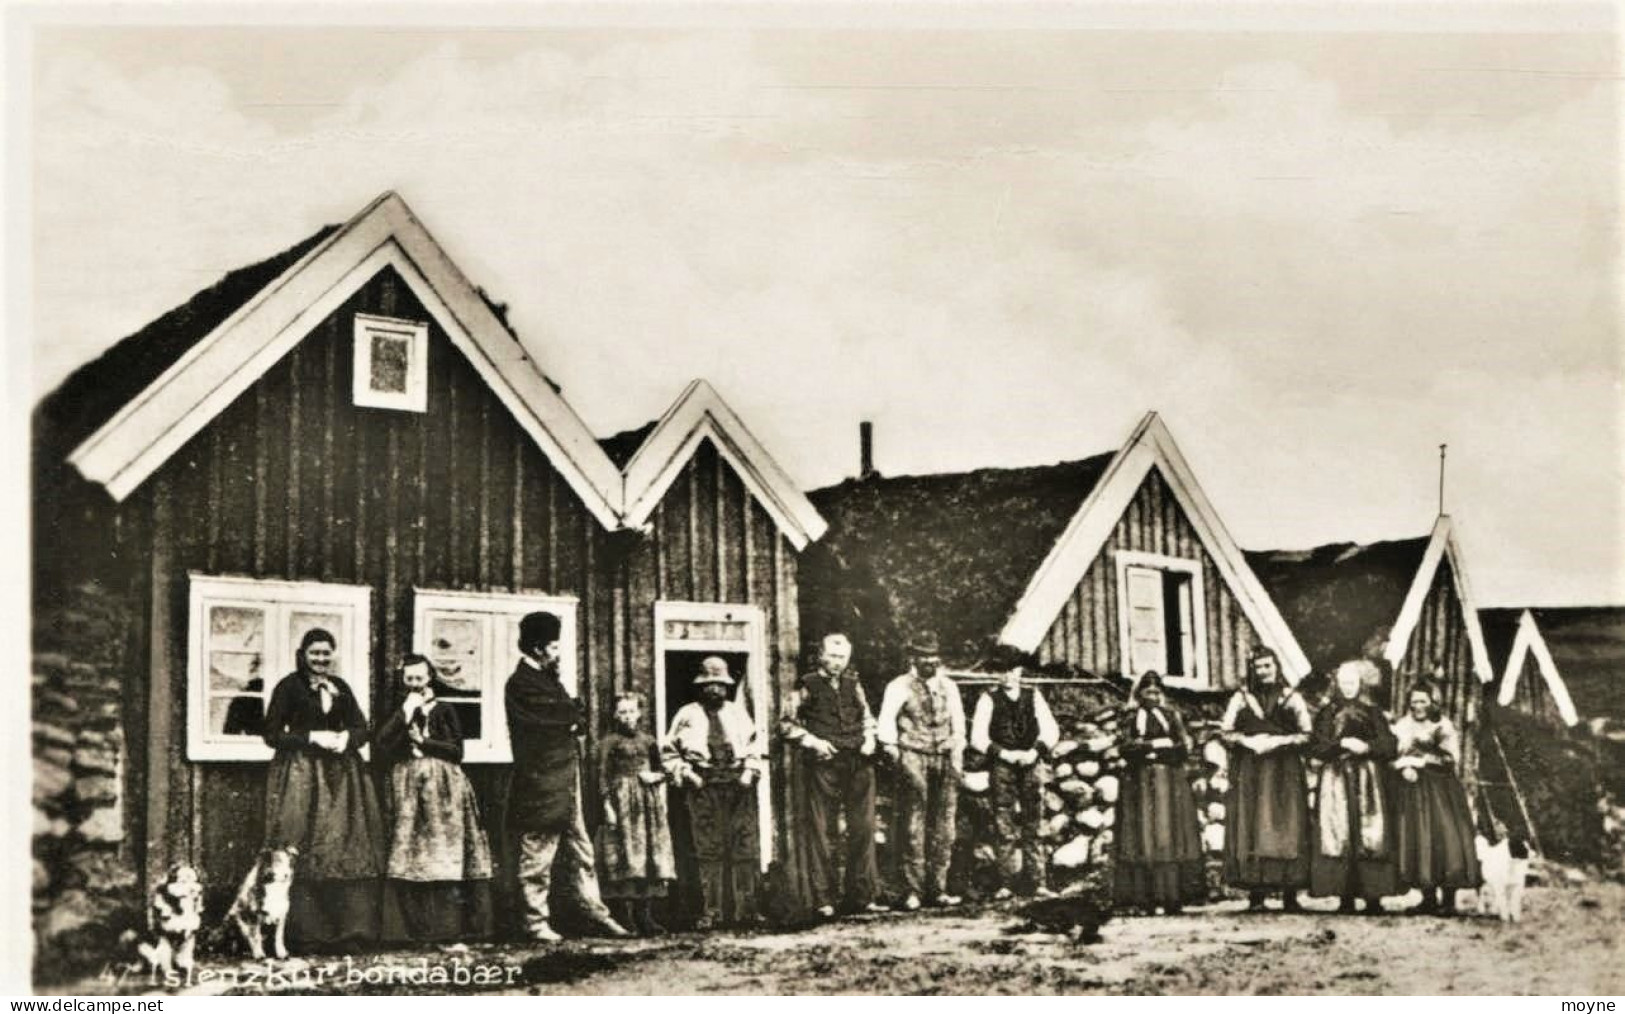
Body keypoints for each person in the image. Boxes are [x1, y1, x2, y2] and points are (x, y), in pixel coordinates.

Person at [504, 611, 628, 942]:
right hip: (540, 782)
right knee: (538, 855)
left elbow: (574, 716)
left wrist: (570, 716)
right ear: (538, 648)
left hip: (567, 780)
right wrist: (569, 717)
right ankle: (535, 922)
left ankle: (595, 913)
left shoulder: (549, 680)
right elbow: (554, 719)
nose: (558, 653)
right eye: (554, 647)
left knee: (582, 852)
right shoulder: (520, 685)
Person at [261, 628, 386, 951]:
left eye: (326, 653)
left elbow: (362, 726)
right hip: (302, 774)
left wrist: (348, 739)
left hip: (343, 775)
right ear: (303, 654)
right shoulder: (289, 687)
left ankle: (349, 934)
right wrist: (310, 737)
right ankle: (307, 936)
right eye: (314, 653)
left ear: (333, 655)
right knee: (305, 842)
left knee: (346, 844)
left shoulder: (341, 687)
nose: (320, 659)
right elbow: (271, 734)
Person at [375, 654, 494, 943]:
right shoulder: (399, 709)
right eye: (409, 679)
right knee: (411, 852)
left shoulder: (445, 709)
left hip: (444, 787)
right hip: (408, 786)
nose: (415, 684)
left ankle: (449, 929)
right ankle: (411, 930)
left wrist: (423, 742)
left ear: (430, 678)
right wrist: (405, 712)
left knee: (444, 851)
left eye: (420, 678)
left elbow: (456, 751)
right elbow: (381, 744)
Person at [781, 633, 886, 919]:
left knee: (863, 827)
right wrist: (812, 741)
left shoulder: (854, 684)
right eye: (833, 656)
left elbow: (867, 718)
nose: (838, 662)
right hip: (825, 762)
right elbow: (786, 725)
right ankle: (824, 898)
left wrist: (869, 738)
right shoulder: (807, 685)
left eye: (843, 656)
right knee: (822, 829)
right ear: (821, 656)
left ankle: (862, 897)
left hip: (858, 761)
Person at [663, 658, 766, 928]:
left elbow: (755, 747)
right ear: (700, 687)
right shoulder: (687, 715)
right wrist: (688, 774)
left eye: (720, 685)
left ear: (727, 687)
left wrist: (748, 772)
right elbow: (669, 753)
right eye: (709, 685)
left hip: (737, 783)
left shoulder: (738, 714)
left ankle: (746, 910)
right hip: (703, 784)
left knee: (744, 845)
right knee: (708, 848)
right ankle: (711, 911)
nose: (714, 691)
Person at [878, 631, 967, 910]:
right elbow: (885, 723)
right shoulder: (899, 686)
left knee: (945, 825)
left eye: (933, 656)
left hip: (945, 756)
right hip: (913, 755)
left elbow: (959, 723)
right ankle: (912, 891)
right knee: (913, 824)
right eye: (923, 656)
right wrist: (894, 750)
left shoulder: (949, 687)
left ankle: (938, 889)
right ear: (913, 658)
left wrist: (956, 751)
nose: (929, 661)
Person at [1219, 649, 1312, 912]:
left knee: (1288, 825)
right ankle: (1256, 895)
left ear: (1276, 666)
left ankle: (1290, 895)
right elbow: (1225, 732)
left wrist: (1278, 742)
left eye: (1267, 666)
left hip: (1284, 770)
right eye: (1258, 667)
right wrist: (1247, 741)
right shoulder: (1241, 698)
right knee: (1252, 825)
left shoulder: (1291, 697)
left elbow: (1307, 733)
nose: (1263, 671)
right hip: (1251, 770)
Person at [1308, 659, 1400, 914]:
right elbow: (1315, 746)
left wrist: (1367, 747)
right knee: (1339, 833)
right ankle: (1344, 897)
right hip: (1336, 779)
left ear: (1360, 684)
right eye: (1343, 683)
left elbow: (1390, 745)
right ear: (1337, 684)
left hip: (1367, 779)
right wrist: (1340, 745)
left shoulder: (1372, 712)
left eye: (1352, 682)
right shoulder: (1327, 713)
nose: (1348, 687)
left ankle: (1373, 897)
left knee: (1369, 833)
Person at [970, 651, 1060, 900]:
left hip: (1031, 763)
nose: (1007, 677)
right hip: (1003, 766)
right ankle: (1007, 883)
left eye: (1011, 671)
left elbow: (1051, 730)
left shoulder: (1033, 696)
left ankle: (1038, 881)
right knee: (1003, 822)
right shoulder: (988, 699)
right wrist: (1003, 754)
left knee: (1034, 821)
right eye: (1001, 672)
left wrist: (1035, 752)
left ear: (1020, 672)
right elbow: (977, 737)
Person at [1113, 672, 1205, 914]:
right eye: (1147, 692)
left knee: (1167, 836)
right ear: (1139, 694)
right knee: (1142, 837)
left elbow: (1183, 746)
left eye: (1156, 692)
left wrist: (1159, 752)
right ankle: (1145, 900)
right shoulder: (1132, 717)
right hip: (1139, 784)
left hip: (1168, 781)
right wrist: (1152, 746)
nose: (1152, 697)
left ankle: (1172, 897)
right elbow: (1125, 746)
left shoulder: (1170, 716)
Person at [1391, 682, 1482, 915]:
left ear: (1433, 701)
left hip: (1440, 791)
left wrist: (1420, 762)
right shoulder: (1402, 725)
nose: (1418, 706)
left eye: (1423, 701)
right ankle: (1427, 897)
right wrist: (1402, 768)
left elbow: (1450, 759)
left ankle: (1448, 899)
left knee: (1444, 838)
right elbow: (1392, 754)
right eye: (1414, 702)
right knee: (1419, 840)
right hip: (1412, 791)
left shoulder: (1442, 725)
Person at [595, 692, 677, 935]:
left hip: (647, 803)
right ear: (615, 715)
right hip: (621, 802)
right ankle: (625, 916)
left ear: (639, 713)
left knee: (648, 855)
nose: (627, 717)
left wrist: (655, 777)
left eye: (631, 711)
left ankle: (645, 916)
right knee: (625, 855)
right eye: (622, 712)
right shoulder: (609, 742)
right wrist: (607, 807)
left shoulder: (648, 741)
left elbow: (664, 771)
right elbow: (602, 776)